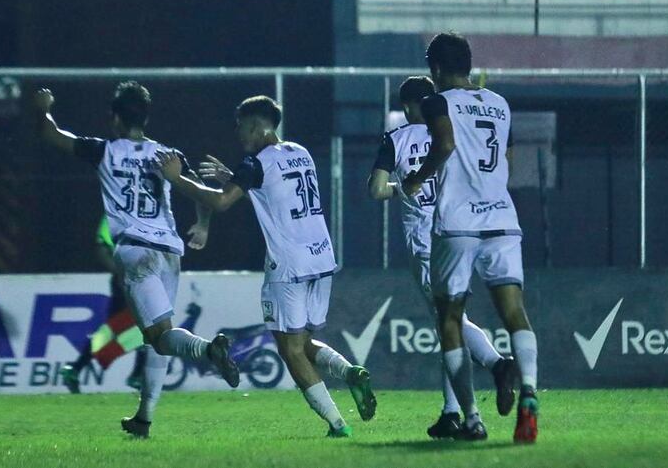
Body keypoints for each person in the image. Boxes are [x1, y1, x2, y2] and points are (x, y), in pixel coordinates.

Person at [156, 95, 375, 438]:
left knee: (289, 350)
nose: (239, 135)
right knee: (301, 343)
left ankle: (338, 424)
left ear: (257, 126)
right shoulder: (299, 153)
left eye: (242, 127)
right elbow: (278, 192)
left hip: (288, 264)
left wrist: (176, 178)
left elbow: (220, 202)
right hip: (321, 257)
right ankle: (349, 373)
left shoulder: (255, 163)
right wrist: (236, 176)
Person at [32, 81, 239, 439]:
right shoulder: (167, 153)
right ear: (145, 116)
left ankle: (208, 350)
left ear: (114, 118)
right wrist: (203, 227)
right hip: (170, 252)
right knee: (159, 336)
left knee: (159, 337)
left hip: (135, 251)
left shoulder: (105, 150)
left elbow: (52, 135)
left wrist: (43, 107)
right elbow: (200, 194)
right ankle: (143, 418)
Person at [402, 33, 539, 443]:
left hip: (458, 223)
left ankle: (472, 419)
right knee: (515, 312)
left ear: (436, 68)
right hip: (501, 219)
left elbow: (443, 144)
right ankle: (529, 394)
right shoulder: (499, 103)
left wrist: (415, 180)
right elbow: (508, 162)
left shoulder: (436, 101)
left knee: (448, 318)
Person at [367, 76, 517, 439]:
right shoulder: (452, 132)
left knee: (450, 321)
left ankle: (496, 366)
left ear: (405, 107)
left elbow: (375, 190)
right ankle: (452, 412)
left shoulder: (397, 138)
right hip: (459, 230)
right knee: (448, 323)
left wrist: (402, 185)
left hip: (423, 241)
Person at [60, 215, 146, 393]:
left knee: (128, 327)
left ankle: (75, 369)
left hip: (141, 278)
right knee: (138, 326)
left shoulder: (143, 213)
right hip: (125, 279)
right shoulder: (114, 215)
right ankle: (137, 376)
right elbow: (102, 248)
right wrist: (120, 274)